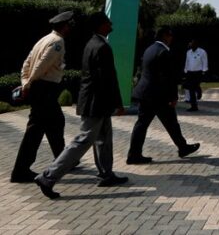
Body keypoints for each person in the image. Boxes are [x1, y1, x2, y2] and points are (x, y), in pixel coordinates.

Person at [34, 12, 128, 199]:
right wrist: (118, 103)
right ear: (101, 25)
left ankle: (106, 174)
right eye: (108, 22)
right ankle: (48, 176)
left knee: (104, 138)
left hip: (94, 101)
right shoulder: (101, 47)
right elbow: (108, 80)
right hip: (97, 103)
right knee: (83, 141)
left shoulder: (91, 44)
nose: (111, 25)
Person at [10, 11, 74, 183]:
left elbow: (27, 63)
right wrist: (28, 85)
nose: (70, 28)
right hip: (45, 89)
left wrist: (25, 82)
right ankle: (20, 171)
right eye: (69, 25)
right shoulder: (57, 42)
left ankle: (63, 160)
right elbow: (40, 65)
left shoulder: (44, 39)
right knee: (35, 131)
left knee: (55, 123)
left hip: (40, 88)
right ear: (64, 25)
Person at [127, 26, 200, 164]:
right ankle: (134, 155)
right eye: (170, 36)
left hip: (147, 93)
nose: (171, 39)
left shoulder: (150, 49)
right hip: (157, 96)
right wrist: (173, 97)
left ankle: (182, 147)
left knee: (162, 123)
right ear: (165, 36)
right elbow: (167, 78)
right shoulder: (163, 52)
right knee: (160, 123)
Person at [184, 38, 208, 111]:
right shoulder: (188, 52)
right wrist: (186, 70)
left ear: (196, 44)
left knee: (193, 88)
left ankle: (198, 91)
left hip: (198, 72)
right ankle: (194, 105)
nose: (191, 45)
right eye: (191, 43)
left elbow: (205, 61)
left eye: (193, 43)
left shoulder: (202, 52)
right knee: (191, 88)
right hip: (190, 72)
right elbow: (187, 61)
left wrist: (204, 70)